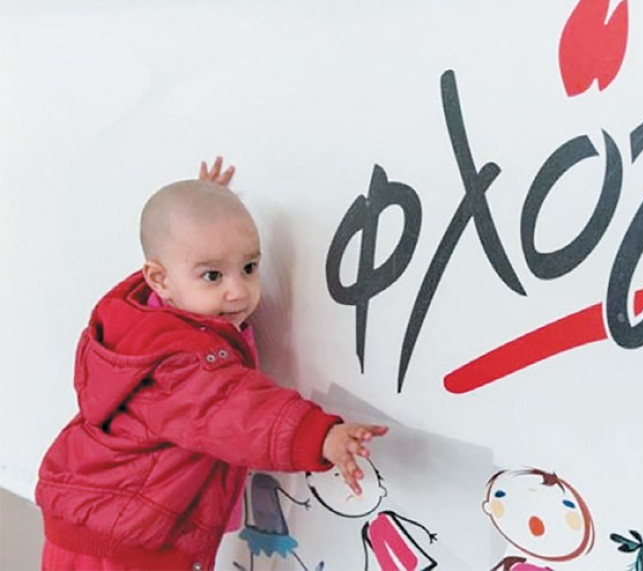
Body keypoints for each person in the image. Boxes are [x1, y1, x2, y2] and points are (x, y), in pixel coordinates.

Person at [34, 158, 388, 571]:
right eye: (213, 276)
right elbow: (235, 409)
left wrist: (205, 207)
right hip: (124, 545)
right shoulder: (178, 362)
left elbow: (177, 260)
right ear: (160, 279)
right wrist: (319, 436)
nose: (238, 291)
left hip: (100, 523)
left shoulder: (150, 314)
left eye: (249, 268)